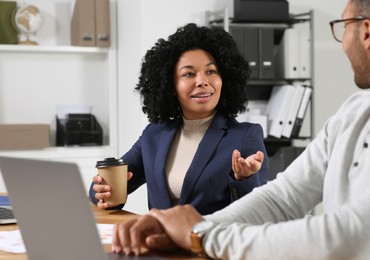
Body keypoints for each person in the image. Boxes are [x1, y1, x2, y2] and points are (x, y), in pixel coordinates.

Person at [111, 0, 370, 258]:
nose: (342, 40)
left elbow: (349, 237)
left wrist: (200, 234)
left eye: (343, 25)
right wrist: (178, 229)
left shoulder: (243, 134)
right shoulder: (353, 113)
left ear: (367, 32)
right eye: (189, 74)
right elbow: (281, 200)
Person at [89, 23, 269, 215]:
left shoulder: (245, 136)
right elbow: (109, 189)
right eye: (189, 74)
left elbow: (258, 213)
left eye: (211, 71)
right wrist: (103, 191)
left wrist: (243, 178)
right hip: (159, 242)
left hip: (210, 243)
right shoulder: (154, 135)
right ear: (171, 85)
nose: (202, 81)